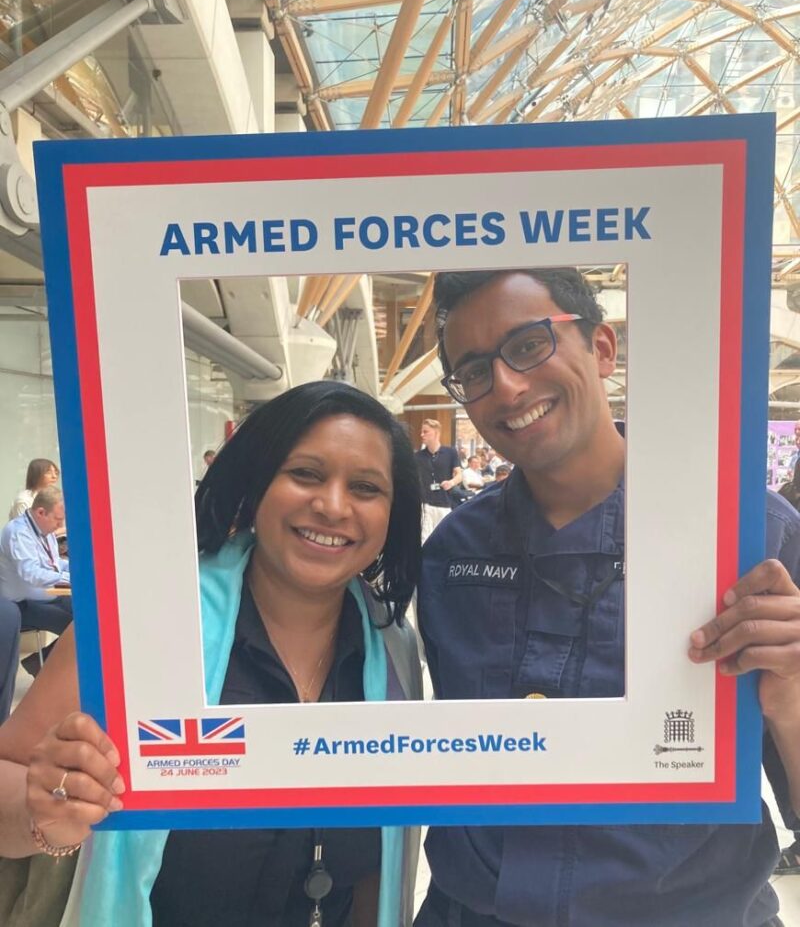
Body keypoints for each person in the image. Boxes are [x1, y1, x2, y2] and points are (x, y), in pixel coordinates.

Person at [415, 267, 800, 927]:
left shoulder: (752, 539)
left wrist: (791, 701)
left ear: (601, 348)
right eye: (473, 370)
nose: (505, 385)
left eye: (529, 344)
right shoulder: (453, 557)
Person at [0, 381, 423, 927]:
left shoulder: (393, 651)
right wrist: (45, 812)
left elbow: (376, 873)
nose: (333, 505)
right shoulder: (142, 623)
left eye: (366, 487)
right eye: (305, 474)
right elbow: (10, 771)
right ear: (257, 481)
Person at [0, 486, 72, 636]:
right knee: (73, 628)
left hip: (47, 596)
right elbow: (31, 573)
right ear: (40, 513)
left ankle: (36, 660)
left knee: (88, 614)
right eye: (58, 520)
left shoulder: (45, 529)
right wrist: (69, 579)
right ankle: (46, 660)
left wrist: (77, 569)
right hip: (21, 604)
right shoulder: (18, 533)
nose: (60, 526)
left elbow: (54, 563)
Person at [414, 418, 462, 541]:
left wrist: (451, 482)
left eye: (426, 432)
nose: (422, 435)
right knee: (424, 540)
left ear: (436, 433)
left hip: (444, 503)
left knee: (445, 539)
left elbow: (459, 475)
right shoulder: (418, 457)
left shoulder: (450, 452)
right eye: (422, 431)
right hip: (425, 505)